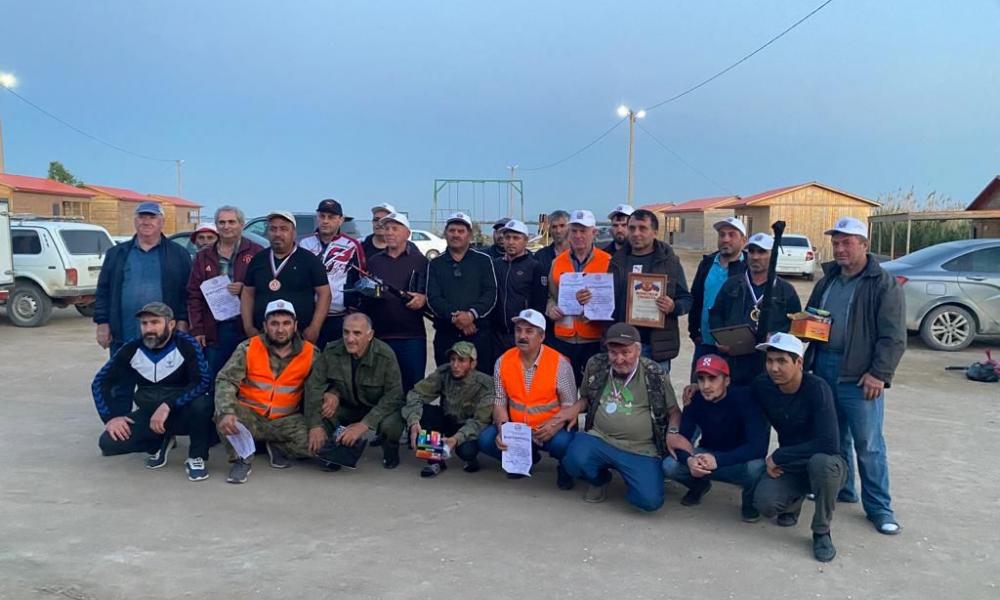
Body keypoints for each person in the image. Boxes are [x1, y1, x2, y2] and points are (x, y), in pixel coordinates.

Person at [804, 216, 906, 536]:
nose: (839, 249)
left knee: (869, 443)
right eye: (836, 243)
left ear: (864, 245)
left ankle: (879, 508)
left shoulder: (882, 283)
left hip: (861, 375)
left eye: (847, 242)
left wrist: (879, 373)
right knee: (834, 436)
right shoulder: (827, 281)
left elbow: (893, 336)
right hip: (824, 366)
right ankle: (843, 488)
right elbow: (811, 317)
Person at [562, 323, 680, 512]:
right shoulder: (596, 365)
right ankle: (600, 480)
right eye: (613, 352)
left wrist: (673, 432)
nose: (619, 359)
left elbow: (673, 411)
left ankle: (635, 478)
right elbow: (586, 398)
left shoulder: (655, 373)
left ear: (638, 350)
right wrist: (574, 408)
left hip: (640, 448)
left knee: (650, 502)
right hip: (599, 438)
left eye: (626, 352)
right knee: (572, 460)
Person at [751, 333, 847, 563]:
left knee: (821, 464)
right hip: (793, 465)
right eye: (769, 361)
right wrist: (698, 388)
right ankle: (793, 504)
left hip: (827, 463)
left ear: (799, 363)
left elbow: (829, 443)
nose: (774, 368)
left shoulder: (817, 388)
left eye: (782, 361)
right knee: (765, 503)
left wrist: (779, 456)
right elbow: (740, 403)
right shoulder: (762, 386)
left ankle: (822, 531)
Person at [92, 302, 213, 482]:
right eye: (144, 323)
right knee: (108, 443)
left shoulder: (186, 344)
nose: (149, 329)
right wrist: (110, 418)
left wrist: (168, 406)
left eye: (155, 322)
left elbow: (202, 382)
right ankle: (161, 440)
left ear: (170, 324)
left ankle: (196, 456)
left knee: (203, 404)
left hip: (182, 411)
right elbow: (100, 382)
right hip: (149, 413)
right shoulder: (131, 348)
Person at [94, 201, 193, 416]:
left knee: (161, 385)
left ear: (162, 222)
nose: (146, 221)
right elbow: (103, 290)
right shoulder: (117, 253)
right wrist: (102, 323)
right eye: (142, 217)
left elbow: (187, 292)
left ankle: (159, 427)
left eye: (152, 217)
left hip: (163, 336)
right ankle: (121, 425)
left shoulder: (178, 254)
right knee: (120, 383)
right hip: (124, 332)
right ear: (135, 220)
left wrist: (183, 321)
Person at [214, 299, 317, 484]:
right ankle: (241, 460)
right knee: (224, 415)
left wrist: (331, 396)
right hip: (249, 416)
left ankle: (276, 444)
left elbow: (321, 386)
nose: (280, 329)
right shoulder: (248, 347)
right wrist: (227, 411)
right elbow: (226, 380)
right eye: (274, 323)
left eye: (286, 323)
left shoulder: (311, 353)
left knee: (316, 447)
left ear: (295, 326)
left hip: (286, 420)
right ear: (265, 326)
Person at [480, 309, 578, 489]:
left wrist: (553, 426)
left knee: (564, 444)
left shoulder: (559, 363)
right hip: (517, 430)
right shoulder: (503, 361)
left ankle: (565, 468)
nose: (522, 336)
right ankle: (525, 458)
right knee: (486, 440)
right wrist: (503, 430)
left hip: (548, 428)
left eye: (529, 331)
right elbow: (500, 401)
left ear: (542, 337)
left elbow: (569, 405)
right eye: (518, 330)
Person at [662, 354, 768, 521]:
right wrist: (689, 460)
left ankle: (749, 502)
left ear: (726, 380)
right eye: (701, 379)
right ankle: (699, 485)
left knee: (757, 466)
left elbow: (758, 447)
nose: (706, 385)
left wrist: (718, 460)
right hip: (706, 455)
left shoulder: (745, 399)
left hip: (737, 460)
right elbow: (683, 439)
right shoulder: (695, 399)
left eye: (712, 379)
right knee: (670, 465)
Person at [304, 313, 406, 469]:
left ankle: (390, 449)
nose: (350, 339)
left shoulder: (385, 356)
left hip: (376, 407)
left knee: (391, 425)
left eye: (357, 333)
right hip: (348, 406)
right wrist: (315, 425)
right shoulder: (331, 351)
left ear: (370, 335)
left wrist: (364, 425)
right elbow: (314, 386)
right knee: (324, 410)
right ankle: (334, 450)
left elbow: (394, 395)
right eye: (346, 332)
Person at [708, 232, 801, 385]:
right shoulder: (732, 284)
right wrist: (720, 338)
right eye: (751, 251)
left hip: (770, 366)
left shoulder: (785, 290)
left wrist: (777, 337)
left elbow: (795, 325)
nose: (755, 257)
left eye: (762, 252)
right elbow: (716, 313)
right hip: (735, 363)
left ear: (773, 255)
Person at [186, 205, 263, 388]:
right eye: (222, 222)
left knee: (248, 380)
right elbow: (193, 294)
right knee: (216, 380)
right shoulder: (203, 256)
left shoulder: (257, 252)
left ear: (241, 224)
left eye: (231, 222)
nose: (226, 226)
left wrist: (246, 289)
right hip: (215, 330)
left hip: (247, 327)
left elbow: (267, 288)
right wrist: (197, 329)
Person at [608, 209, 691, 373]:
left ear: (655, 232)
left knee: (656, 390)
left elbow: (686, 299)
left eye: (642, 228)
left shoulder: (670, 262)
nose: (636, 233)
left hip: (655, 348)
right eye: (632, 228)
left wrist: (673, 306)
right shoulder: (616, 261)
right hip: (622, 346)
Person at [401, 341, 494, 478]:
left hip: (468, 425)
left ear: (473, 363)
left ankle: (470, 459)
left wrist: (456, 439)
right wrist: (414, 421)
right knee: (425, 414)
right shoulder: (444, 373)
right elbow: (416, 394)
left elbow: (480, 421)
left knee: (467, 451)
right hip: (447, 417)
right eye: (453, 359)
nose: (455, 365)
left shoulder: (485, 385)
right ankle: (435, 460)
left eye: (461, 360)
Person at [362, 212, 429, 396]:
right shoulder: (374, 262)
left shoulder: (421, 261)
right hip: (381, 337)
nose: (389, 232)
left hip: (412, 338)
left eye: (395, 228)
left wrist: (424, 298)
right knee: (382, 390)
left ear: (407, 233)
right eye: (387, 228)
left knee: (413, 391)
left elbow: (432, 293)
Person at [241, 210, 330, 345]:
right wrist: (248, 326)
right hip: (263, 335)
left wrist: (315, 327)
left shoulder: (309, 260)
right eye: (273, 229)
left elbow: (325, 294)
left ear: (294, 233)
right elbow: (247, 293)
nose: (277, 234)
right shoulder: (258, 259)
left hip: (300, 337)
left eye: (284, 229)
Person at [545, 209, 611, 385]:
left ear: (594, 233)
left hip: (594, 339)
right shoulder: (557, 262)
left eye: (583, 231)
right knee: (564, 390)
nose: (578, 235)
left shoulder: (608, 262)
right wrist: (551, 309)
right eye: (574, 231)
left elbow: (614, 301)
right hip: (563, 339)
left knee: (594, 391)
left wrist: (595, 308)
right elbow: (551, 296)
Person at [426, 211, 498, 374]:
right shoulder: (435, 264)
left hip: (478, 333)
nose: (456, 234)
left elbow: (490, 293)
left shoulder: (484, 261)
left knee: (480, 382)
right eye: (452, 230)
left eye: (461, 231)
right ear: (445, 233)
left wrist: (471, 315)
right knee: (447, 381)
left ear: (469, 235)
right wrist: (457, 318)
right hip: (446, 335)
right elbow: (433, 298)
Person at [299, 199, 365, 349]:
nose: (326, 221)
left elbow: (360, 279)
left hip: (339, 316)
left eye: (331, 217)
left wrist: (354, 308)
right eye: (322, 216)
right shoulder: (304, 244)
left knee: (337, 360)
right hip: (309, 316)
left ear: (340, 220)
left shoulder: (352, 245)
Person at [689, 216, 748, 370]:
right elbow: (696, 297)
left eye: (732, 235)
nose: (725, 239)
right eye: (722, 235)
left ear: (743, 240)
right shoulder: (707, 263)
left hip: (734, 346)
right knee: (701, 383)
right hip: (705, 342)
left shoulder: (748, 268)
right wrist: (694, 331)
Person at [491, 218, 547, 357]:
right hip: (497, 335)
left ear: (526, 241)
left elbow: (539, 303)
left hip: (522, 335)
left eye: (516, 238)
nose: (511, 242)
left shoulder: (535, 267)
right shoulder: (495, 265)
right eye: (507, 237)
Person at [532, 209, 570, 285]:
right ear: (549, 230)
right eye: (554, 227)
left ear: (570, 227)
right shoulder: (540, 256)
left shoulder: (579, 255)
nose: (558, 231)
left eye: (562, 226)